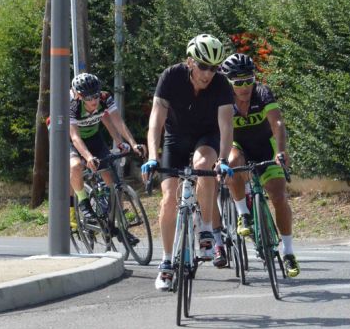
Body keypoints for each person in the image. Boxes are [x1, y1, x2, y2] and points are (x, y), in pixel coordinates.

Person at [141, 33, 234, 291]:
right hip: (175, 138)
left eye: (214, 68)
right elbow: (156, 121)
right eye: (203, 66)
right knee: (168, 199)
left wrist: (223, 159)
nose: (208, 73)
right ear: (190, 61)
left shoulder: (221, 84)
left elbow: (226, 125)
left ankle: (205, 229)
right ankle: (166, 262)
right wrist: (152, 156)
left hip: (207, 136)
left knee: (203, 165)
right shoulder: (171, 76)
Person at [220, 53, 300, 277]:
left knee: (279, 196)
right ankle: (243, 214)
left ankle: (288, 252)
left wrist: (281, 151)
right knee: (233, 163)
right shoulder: (223, 99)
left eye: (249, 80)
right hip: (238, 146)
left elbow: (278, 122)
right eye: (238, 83)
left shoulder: (262, 92)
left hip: (265, 146)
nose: (245, 87)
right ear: (229, 82)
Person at [69, 73, 146, 225]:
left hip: (93, 136)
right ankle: (83, 202)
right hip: (70, 139)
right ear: (79, 96)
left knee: (110, 177)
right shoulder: (72, 105)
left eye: (96, 95)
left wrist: (132, 143)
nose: (94, 101)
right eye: (88, 98)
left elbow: (118, 122)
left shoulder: (105, 98)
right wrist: (88, 157)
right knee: (76, 166)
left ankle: (116, 221)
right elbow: (75, 138)